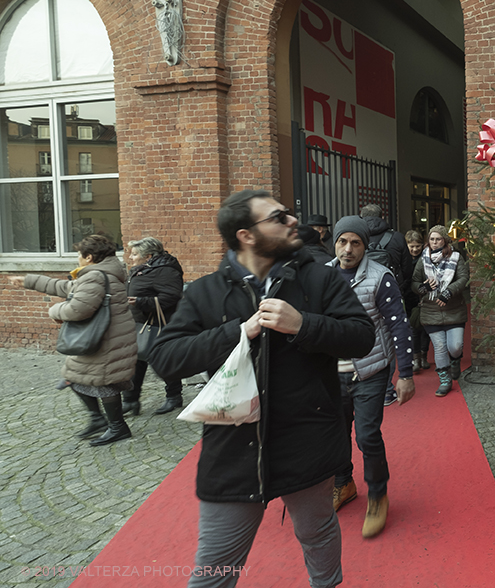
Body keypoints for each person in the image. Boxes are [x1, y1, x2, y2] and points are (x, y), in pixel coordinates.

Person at [147, 190, 374, 588]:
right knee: (213, 570)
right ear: (246, 235)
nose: (292, 221)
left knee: (317, 535)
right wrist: (236, 333)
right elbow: (165, 357)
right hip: (234, 453)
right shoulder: (205, 292)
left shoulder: (319, 278)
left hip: (308, 443)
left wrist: (304, 324)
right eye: (278, 217)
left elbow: (361, 336)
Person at [327, 216, 415, 538]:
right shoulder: (322, 275)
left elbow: (398, 325)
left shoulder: (380, 277)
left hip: (370, 371)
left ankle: (378, 495)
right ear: (334, 243)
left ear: (365, 246)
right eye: (342, 242)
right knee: (335, 435)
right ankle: (343, 483)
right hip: (331, 373)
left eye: (355, 243)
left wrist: (404, 373)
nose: (348, 249)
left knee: (366, 436)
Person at [10, 234, 137, 446]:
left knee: (104, 382)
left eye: (79, 254)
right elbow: (66, 288)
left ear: (88, 257)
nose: (77, 258)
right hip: (105, 338)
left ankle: (117, 427)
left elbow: (78, 309)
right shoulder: (100, 274)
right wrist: (28, 280)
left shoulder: (96, 276)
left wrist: (54, 310)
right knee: (75, 377)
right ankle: (99, 420)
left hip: (104, 341)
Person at [359, 203, 414, 406]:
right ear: (382, 216)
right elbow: (407, 268)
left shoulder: (357, 237)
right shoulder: (397, 238)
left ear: (361, 216)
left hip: (363, 293)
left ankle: (366, 384)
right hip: (392, 292)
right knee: (391, 335)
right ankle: (387, 390)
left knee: (366, 335)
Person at [123, 237, 185, 416]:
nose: (131, 258)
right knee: (135, 361)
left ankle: (174, 396)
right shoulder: (144, 269)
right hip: (140, 323)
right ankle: (130, 400)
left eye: (134, 254)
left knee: (162, 359)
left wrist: (142, 302)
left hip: (158, 324)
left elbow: (172, 296)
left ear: (148, 256)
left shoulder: (165, 270)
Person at [412, 226, 469, 397]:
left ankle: (456, 359)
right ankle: (445, 379)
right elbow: (414, 283)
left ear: (445, 239)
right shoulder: (423, 260)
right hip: (431, 310)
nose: (435, 242)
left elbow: (463, 278)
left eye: (438, 239)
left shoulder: (456, 257)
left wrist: (448, 291)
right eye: (432, 239)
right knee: (439, 346)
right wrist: (423, 287)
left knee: (455, 346)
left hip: (454, 309)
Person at [404, 230, 431, 373]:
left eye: (417, 246)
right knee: (414, 328)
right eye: (412, 246)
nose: (415, 249)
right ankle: (416, 358)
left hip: (424, 296)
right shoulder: (405, 259)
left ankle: (424, 356)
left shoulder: (426, 258)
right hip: (410, 297)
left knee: (425, 329)